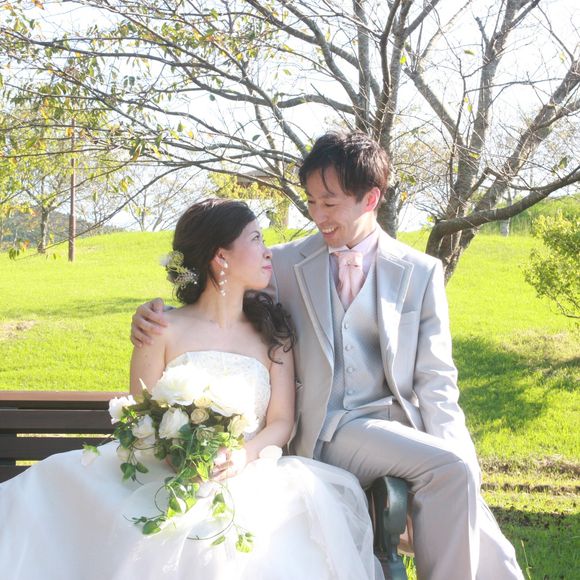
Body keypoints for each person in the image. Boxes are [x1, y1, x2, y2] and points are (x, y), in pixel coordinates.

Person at [132, 132, 524, 580]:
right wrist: (150, 317)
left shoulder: (421, 271)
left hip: (403, 433)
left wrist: (462, 458)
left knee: (488, 537)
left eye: (330, 203)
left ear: (370, 198)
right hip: (330, 428)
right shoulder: (281, 264)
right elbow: (217, 297)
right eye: (311, 202)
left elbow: (437, 384)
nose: (317, 215)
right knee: (449, 471)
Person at [0, 199, 382, 580]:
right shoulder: (160, 330)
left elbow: (281, 421)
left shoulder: (273, 334)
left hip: (248, 474)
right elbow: (140, 416)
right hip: (163, 473)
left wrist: (241, 456)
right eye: (256, 239)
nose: (268, 251)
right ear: (221, 256)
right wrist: (178, 455)